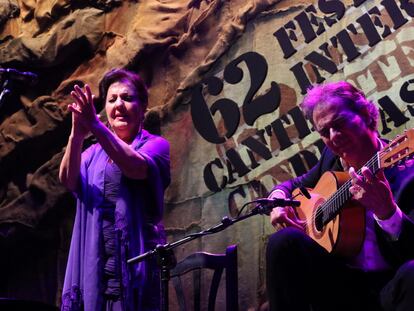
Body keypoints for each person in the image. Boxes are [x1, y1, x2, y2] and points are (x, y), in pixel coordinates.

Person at [266, 81, 414, 311]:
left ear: (365, 114)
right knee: (282, 242)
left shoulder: (408, 174)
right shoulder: (331, 160)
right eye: (324, 132)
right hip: (342, 285)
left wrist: (388, 212)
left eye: (340, 123)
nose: (334, 136)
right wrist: (278, 204)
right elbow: (291, 185)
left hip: (391, 285)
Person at [59, 69, 170, 311]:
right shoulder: (92, 154)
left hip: (134, 269)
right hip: (96, 270)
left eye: (127, 98)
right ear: (106, 110)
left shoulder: (156, 145)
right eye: (111, 100)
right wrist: (76, 135)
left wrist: (95, 126)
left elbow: (134, 167)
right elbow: (68, 180)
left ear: (143, 108)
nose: (118, 104)